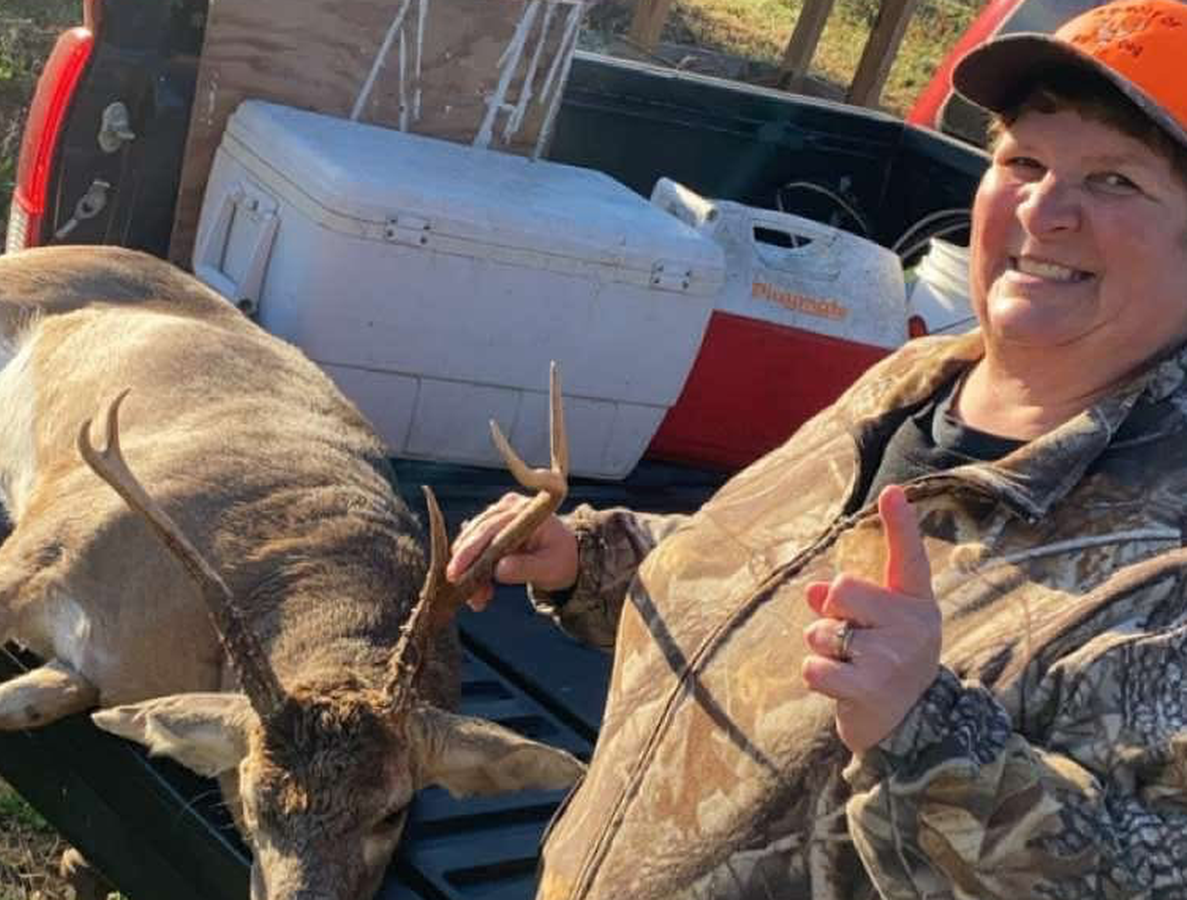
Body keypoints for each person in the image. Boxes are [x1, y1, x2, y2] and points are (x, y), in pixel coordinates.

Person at [449, 1, 1187, 895]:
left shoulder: (1163, 573)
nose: (1044, 208)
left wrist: (922, 734)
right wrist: (589, 559)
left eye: (1115, 180)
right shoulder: (913, 380)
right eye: (1023, 161)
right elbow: (770, 582)